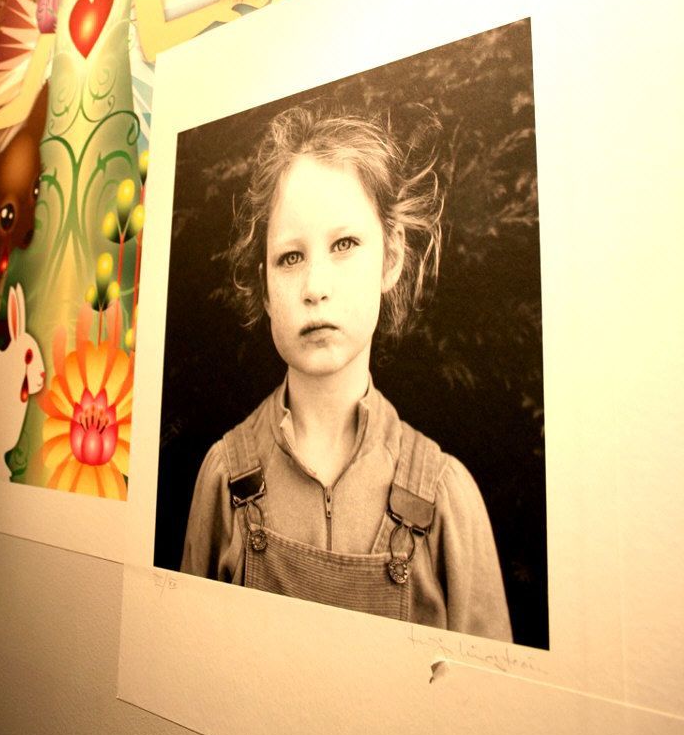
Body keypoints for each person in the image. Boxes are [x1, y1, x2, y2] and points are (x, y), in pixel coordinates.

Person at [180, 104, 512, 640]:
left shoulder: (448, 498)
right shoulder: (222, 478)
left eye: (344, 245)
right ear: (264, 286)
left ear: (391, 258)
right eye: (290, 257)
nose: (315, 286)